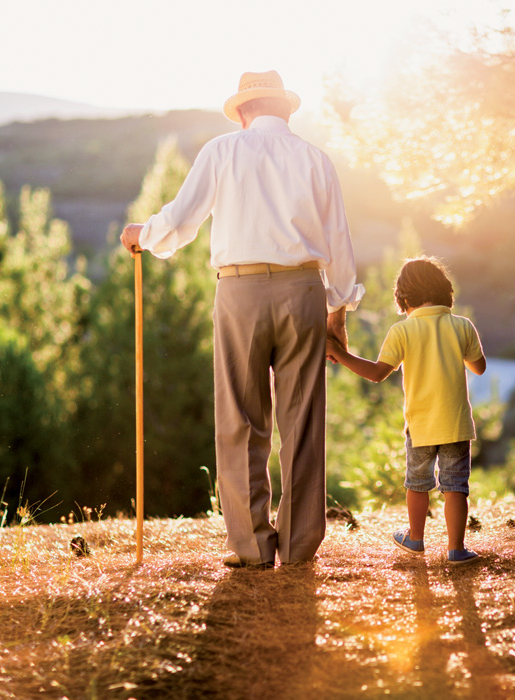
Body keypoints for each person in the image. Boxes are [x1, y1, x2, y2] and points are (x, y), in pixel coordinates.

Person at [120, 70, 364, 569]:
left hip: (239, 290)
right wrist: (337, 312)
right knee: (302, 420)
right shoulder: (316, 159)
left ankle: (251, 546)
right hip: (304, 291)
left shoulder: (222, 150)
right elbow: (339, 242)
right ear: (285, 109)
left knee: (240, 419)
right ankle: (298, 547)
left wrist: (143, 234)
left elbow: (181, 221)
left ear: (244, 111)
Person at [325, 256, 486, 565]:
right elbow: (479, 368)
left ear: (404, 298)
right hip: (455, 423)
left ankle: (415, 538)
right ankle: (456, 549)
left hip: (421, 425)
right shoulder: (462, 325)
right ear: (444, 291)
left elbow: (377, 374)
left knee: (417, 483)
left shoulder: (402, 331)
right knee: (455, 486)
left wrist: (339, 354)